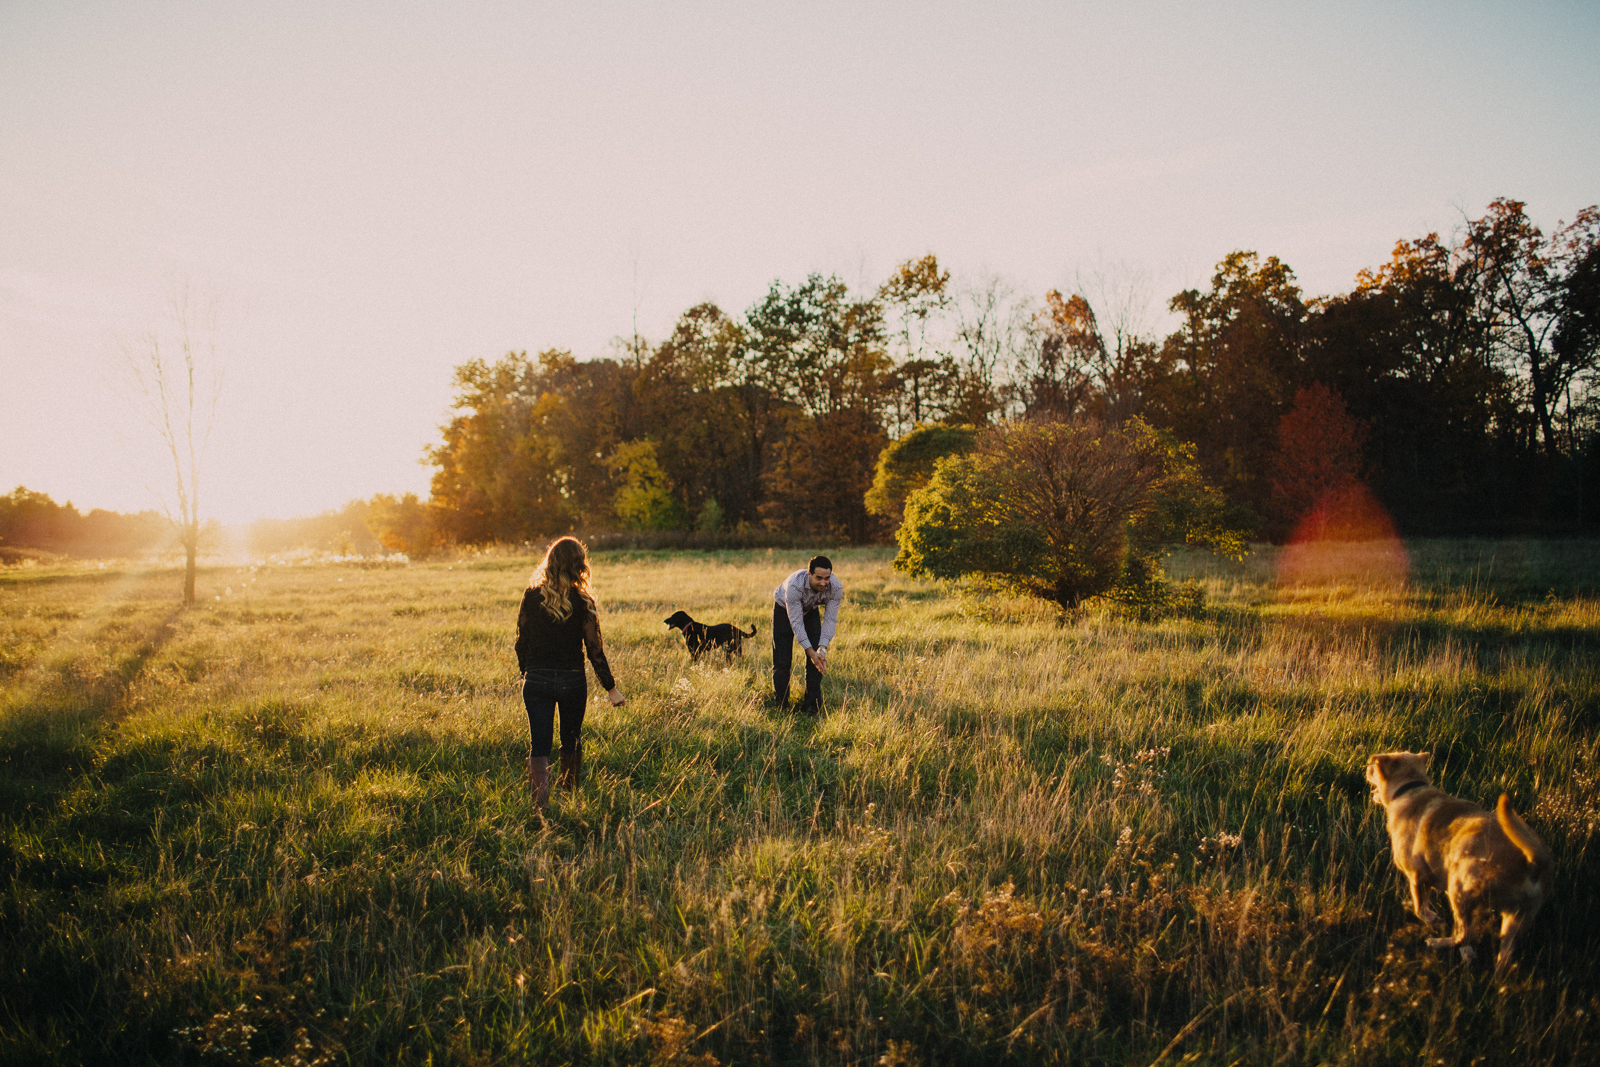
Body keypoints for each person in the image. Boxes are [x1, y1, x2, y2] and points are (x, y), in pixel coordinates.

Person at [514, 536, 624, 809]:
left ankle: (540, 808)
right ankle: (569, 798)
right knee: (571, 741)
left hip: (536, 679)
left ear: (550, 562)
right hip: (572, 680)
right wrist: (611, 689)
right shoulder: (584, 601)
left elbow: (520, 641)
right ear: (579, 566)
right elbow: (594, 649)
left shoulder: (531, 596)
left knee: (538, 745)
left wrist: (527, 672)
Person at [772, 554, 843, 713]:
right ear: (809, 574)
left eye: (827, 578)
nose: (823, 583)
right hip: (783, 610)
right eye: (819, 578)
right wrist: (810, 651)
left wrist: (821, 649)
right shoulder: (794, 585)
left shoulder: (836, 587)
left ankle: (811, 705)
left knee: (818, 659)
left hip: (810, 609)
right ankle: (781, 705)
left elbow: (830, 619)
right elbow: (796, 622)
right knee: (783, 660)